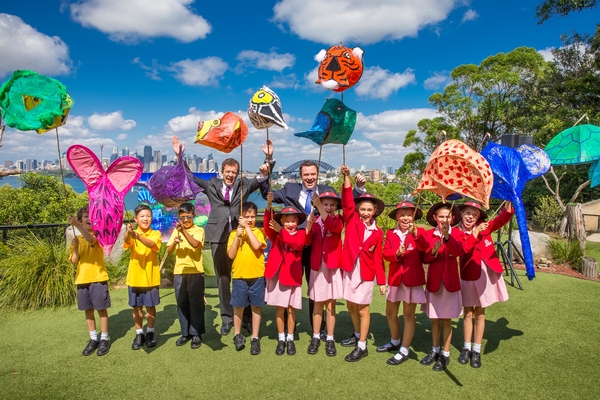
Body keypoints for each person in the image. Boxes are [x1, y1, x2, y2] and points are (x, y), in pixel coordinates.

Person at [172, 136, 271, 336]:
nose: (231, 175)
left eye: (234, 172)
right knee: (223, 280)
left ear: (237, 173)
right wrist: (179, 156)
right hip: (218, 237)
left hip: (241, 237)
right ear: (222, 172)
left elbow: (261, 177)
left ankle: (247, 319)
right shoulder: (211, 185)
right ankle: (227, 318)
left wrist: (268, 157)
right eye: (228, 172)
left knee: (245, 278)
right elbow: (190, 177)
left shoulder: (243, 185)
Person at [259, 154, 365, 333]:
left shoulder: (326, 190)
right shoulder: (289, 189)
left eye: (313, 174)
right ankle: (285, 330)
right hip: (293, 246)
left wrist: (359, 188)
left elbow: (344, 202)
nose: (310, 178)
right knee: (287, 285)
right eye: (306, 175)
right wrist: (264, 175)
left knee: (316, 289)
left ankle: (319, 328)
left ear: (318, 175)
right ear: (301, 176)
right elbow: (268, 195)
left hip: (318, 247)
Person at [457, 200, 513, 368]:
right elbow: (463, 250)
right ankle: (466, 347)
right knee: (467, 312)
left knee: (480, 314)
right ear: (461, 213)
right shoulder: (456, 232)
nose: (470, 217)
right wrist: (475, 234)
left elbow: (501, 220)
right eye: (467, 213)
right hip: (467, 275)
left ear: (478, 217)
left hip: (485, 274)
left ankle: (476, 350)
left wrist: (509, 202)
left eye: (474, 215)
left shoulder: (484, 226)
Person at [339, 165, 386, 362]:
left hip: (366, 273)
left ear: (375, 211)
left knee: (363, 308)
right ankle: (357, 334)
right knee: (351, 306)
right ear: (358, 210)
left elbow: (378, 257)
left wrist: (382, 281)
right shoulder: (352, 220)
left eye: (370, 209)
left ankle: (362, 345)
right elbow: (347, 201)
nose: (366, 212)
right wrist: (348, 178)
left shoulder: (378, 232)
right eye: (363, 209)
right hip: (349, 269)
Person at [417, 202, 464, 371]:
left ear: (452, 218)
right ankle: (434, 350)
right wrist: (433, 251)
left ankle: (445, 353)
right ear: (435, 218)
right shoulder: (430, 234)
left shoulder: (457, 233)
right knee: (434, 318)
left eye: (447, 217)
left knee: (446, 319)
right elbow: (425, 259)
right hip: (434, 283)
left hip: (450, 283)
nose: (444, 220)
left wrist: (447, 237)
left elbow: (459, 251)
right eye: (441, 217)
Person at [380, 201, 427, 366]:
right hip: (395, 278)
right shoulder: (391, 233)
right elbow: (386, 253)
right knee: (390, 313)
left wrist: (416, 235)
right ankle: (395, 341)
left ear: (413, 217)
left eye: (409, 214)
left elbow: (425, 250)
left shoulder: (419, 232)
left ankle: (405, 349)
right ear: (397, 217)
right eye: (402, 215)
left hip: (412, 280)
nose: (405, 218)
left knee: (408, 315)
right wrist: (396, 253)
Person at [263, 193, 306, 356]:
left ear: (297, 222)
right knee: (280, 309)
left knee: (291, 309)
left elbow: (297, 244)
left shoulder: (301, 234)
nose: (289, 224)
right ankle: (281, 338)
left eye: (293, 221)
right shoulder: (275, 232)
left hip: (292, 276)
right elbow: (267, 224)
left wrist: (282, 231)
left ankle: (290, 338)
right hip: (277, 275)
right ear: (281, 221)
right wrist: (268, 205)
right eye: (286, 220)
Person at [304, 191, 344, 357]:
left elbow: (334, 228)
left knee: (331, 305)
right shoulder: (314, 221)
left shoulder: (338, 220)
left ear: (335, 207)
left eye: (331, 205)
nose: (328, 207)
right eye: (325, 204)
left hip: (332, 266)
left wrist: (318, 206)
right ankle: (315, 336)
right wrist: (307, 227)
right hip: (317, 267)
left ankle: (330, 338)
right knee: (317, 304)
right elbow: (307, 243)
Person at [68, 206, 111, 356]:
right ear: (80, 219)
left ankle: (104, 338)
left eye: (91, 216)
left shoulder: (99, 235)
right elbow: (74, 260)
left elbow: (91, 239)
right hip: (82, 280)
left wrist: (77, 225)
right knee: (88, 310)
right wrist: (74, 247)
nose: (88, 219)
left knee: (101, 309)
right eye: (85, 217)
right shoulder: (78, 240)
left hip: (98, 278)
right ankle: (93, 338)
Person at [227, 202, 267, 355]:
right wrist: (238, 236)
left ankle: (255, 337)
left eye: (253, 217)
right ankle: (237, 334)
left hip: (256, 275)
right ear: (240, 217)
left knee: (256, 307)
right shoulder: (233, 234)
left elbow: (257, 246)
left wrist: (248, 228)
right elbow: (231, 255)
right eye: (247, 217)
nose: (250, 219)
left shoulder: (258, 231)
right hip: (239, 276)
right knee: (238, 307)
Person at [166, 202, 205, 349]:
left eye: (188, 217)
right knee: (181, 303)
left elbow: (196, 245)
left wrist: (183, 232)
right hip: (179, 272)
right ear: (178, 218)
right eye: (182, 217)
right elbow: (169, 251)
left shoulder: (199, 230)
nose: (186, 220)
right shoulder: (176, 231)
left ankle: (196, 334)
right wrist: (175, 242)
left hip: (195, 272)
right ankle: (185, 333)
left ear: (194, 215)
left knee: (196, 304)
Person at [124, 204, 163, 350]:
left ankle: (150, 332)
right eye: (142, 216)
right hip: (134, 277)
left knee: (150, 307)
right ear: (135, 219)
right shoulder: (132, 233)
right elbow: (127, 241)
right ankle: (139, 333)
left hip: (151, 278)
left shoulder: (156, 233)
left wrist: (138, 236)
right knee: (136, 308)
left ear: (151, 218)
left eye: (148, 216)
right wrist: (129, 232)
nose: (145, 219)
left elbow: (152, 244)